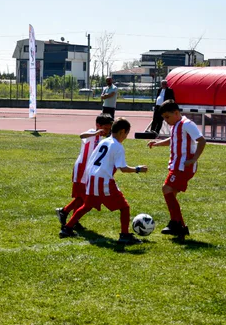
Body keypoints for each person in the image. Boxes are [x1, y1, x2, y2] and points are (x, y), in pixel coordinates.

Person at [59, 118, 148, 245]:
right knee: (124, 207)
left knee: (87, 206)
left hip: (92, 177)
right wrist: (138, 169)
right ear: (123, 131)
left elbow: (93, 159)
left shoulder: (104, 142)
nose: (126, 137)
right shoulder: (117, 146)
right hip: (104, 179)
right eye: (126, 134)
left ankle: (67, 228)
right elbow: (123, 168)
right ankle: (124, 235)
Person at [148, 100, 207, 238]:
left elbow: (202, 140)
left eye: (167, 117)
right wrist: (157, 144)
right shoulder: (175, 125)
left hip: (183, 166)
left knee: (166, 189)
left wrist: (194, 159)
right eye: (164, 118)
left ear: (176, 113)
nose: (166, 120)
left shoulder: (187, 124)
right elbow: (172, 139)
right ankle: (180, 227)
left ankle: (175, 223)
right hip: (176, 165)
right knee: (171, 193)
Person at [56, 113, 113, 231]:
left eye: (109, 128)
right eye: (105, 128)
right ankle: (65, 212)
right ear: (98, 125)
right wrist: (96, 132)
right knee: (83, 197)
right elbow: (82, 135)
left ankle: (70, 217)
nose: (107, 131)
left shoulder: (102, 139)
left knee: (83, 197)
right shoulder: (92, 133)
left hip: (89, 171)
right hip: (82, 169)